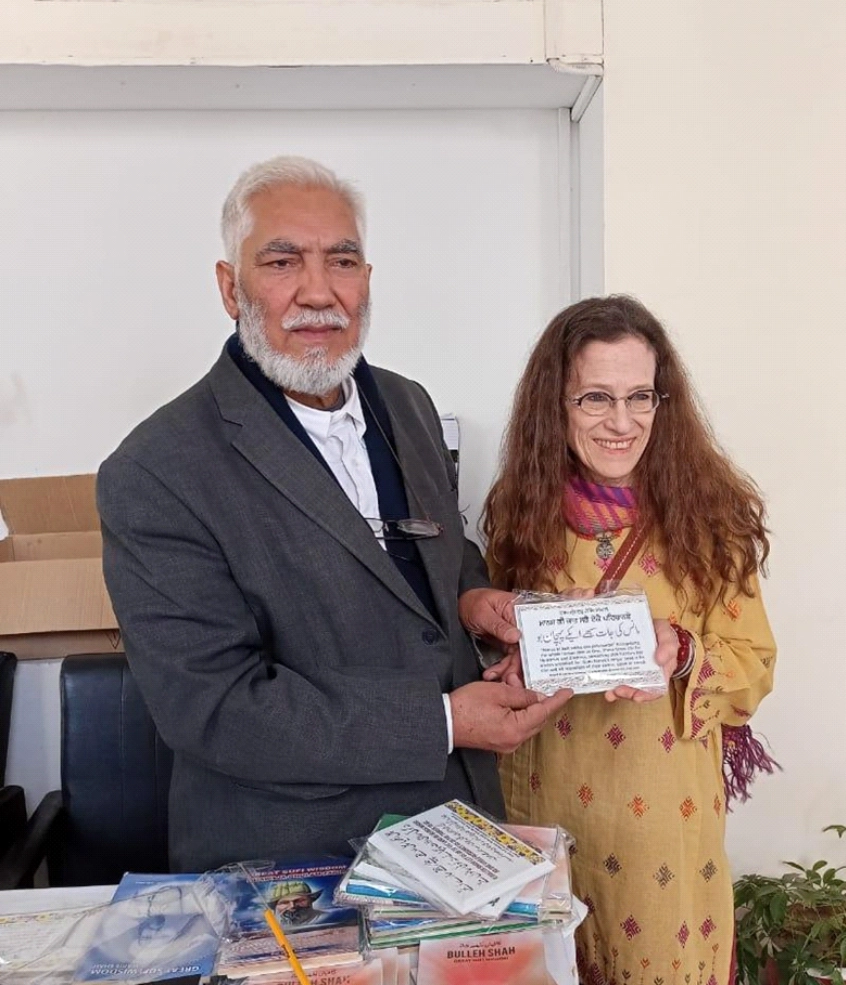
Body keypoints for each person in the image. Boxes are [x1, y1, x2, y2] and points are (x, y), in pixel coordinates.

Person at [97, 156, 569, 872]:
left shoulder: (407, 404)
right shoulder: (155, 471)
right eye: (282, 261)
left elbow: (430, 557)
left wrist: (472, 600)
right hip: (292, 870)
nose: (318, 292)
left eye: (341, 261)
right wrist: (444, 721)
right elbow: (218, 709)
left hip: (458, 836)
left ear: (367, 282)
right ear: (230, 288)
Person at [482, 295, 777, 985]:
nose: (621, 422)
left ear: (664, 403)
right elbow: (500, 637)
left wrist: (680, 648)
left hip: (661, 835)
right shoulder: (519, 510)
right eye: (594, 399)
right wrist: (513, 646)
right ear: (555, 405)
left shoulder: (710, 517)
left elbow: (755, 663)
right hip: (545, 821)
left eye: (640, 397)